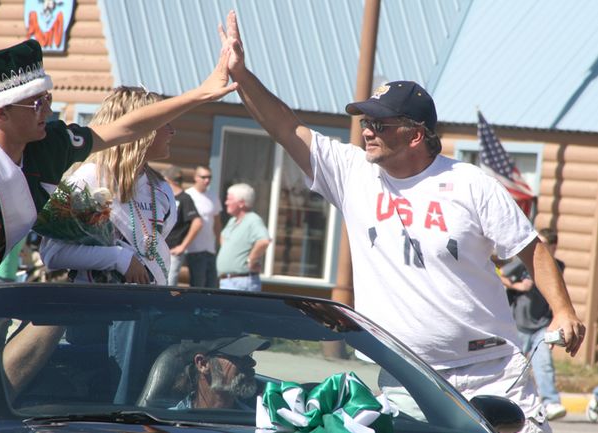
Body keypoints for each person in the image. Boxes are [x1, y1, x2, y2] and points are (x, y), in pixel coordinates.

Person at [219, 11, 585, 433]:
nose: (368, 131)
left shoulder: (469, 184)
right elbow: (286, 127)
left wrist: (562, 311)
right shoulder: (353, 173)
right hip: (405, 377)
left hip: (490, 371)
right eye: (366, 122)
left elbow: (531, 247)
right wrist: (242, 77)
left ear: (415, 135)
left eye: (380, 123)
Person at [0, 39, 237, 278]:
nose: (49, 110)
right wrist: (116, 258)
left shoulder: (49, 145)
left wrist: (200, 94)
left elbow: (125, 128)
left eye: (47, 98)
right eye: (36, 104)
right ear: (1, 113)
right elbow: (55, 252)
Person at [40, 87, 178, 285]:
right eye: (165, 122)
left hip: (142, 310)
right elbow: (52, 254)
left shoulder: (162, 190)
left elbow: (152, 251)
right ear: (140, 128)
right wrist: (119, 258)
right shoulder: (87, 180)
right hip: (92, 307)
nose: (173, 131)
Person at [502, 228, 567, 421]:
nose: (540, 246)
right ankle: (505, 402)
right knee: (512, 367)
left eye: (544, 243)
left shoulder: (559, 266)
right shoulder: (523, 263)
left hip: (542, 326)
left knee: (544, 363)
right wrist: (516, 286)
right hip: (518, 325)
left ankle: (550, 402)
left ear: (553, 246)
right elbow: (499, 273)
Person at [169, 335, 270, 409]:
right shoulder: (168, 424)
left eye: (249, 356)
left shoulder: (259, 424)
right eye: (239, 357)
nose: (252, 363)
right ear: (203, 364)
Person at [216, 183, 270, 292]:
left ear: (241, 203)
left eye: (229, 199)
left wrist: (251, 260)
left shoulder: (253, 220)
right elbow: (223, 238)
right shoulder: (232, 221)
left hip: (241, 282)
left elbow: (264, 241)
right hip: (228, 281)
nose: (226, 202)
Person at [162, 166, 203, 286]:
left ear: (167, 180)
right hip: (160, 249)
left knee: (169, 284)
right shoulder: (164, 197)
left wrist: (183, 246)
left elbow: (197, 222)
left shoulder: (185, 198)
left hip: (173, 250)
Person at [185, 166, 222, 288]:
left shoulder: (213, 196)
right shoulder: (188, 195)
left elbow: (216, 222)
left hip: (210, 249)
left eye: (209, 177)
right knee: (198, 286)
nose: (207, 180)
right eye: (203, 177)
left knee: (211, 287)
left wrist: (220, 241)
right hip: (194, 249)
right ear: (195, 177)